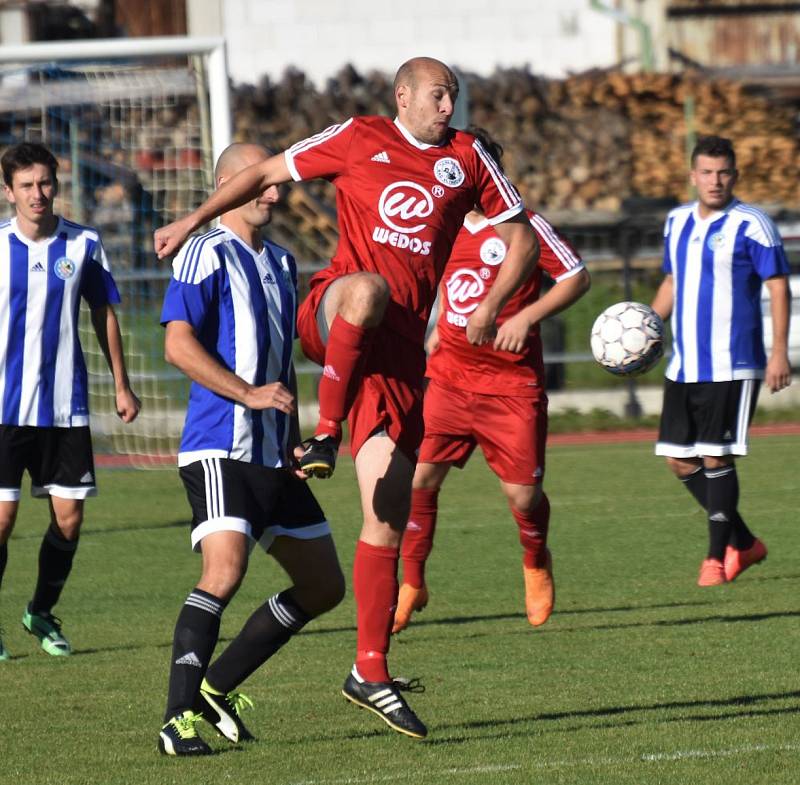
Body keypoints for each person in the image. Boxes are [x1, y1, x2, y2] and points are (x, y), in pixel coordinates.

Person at [154, 57, 539, 740]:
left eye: (454, 93)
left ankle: (369, 668)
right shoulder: (358, 137)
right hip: (335, 311)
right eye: (437, 93)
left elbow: (523, 239)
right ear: (403, 96)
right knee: (367, 290)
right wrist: (192, 218)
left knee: (388, 512)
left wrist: (499, 304)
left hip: (394, 361)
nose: (448, 104)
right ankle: (328, 434)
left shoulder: (468, 156)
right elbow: (263, 172)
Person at [157, 143, 345, 756]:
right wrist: (246, 393)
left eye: (273, 182)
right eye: (257, 182)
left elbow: (280, 366)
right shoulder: (203, 252)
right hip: (219, 446)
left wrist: (292, 439)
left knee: (323, 587)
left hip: (272, 452)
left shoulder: (283, 263)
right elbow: (178, 346)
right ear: (223, 186)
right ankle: (176, 720)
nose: (272, 190)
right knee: (225, 571)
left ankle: (216, 686)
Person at [393, 130, 590, 634]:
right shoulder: (443, 228)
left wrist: (525, 318)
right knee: (418, 479)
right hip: (450, 380)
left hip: (511, 387)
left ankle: (535, 559)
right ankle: (412, 581)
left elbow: (575, 278)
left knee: (522, 497)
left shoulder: (526, 229)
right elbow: (434, 285)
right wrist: (437, 328)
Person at [0, 142, 139, 662]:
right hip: (4, 409)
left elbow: (104, 314)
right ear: (8, 191)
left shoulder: (83, 243)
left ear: (56, 185)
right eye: (27, 185)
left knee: (69, 520)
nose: (38, 193)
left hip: (65, 407)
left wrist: (122, 384)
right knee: (2, 520)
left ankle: (41, 611)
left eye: (45, 183)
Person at [651, 135, 791, 587]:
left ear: (736, 174)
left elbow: (777, 286)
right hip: (684, 363)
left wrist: (778, 353)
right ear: (693, 176)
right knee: (678, 460)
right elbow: (672, 281)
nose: (715, 181)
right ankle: (746, 542)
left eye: (723, 172)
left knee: (715, 455)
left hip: (733, 361)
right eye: (707, 173)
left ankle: (715, 558)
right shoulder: (675, 222)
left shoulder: (753, 224)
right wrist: (646, 330)